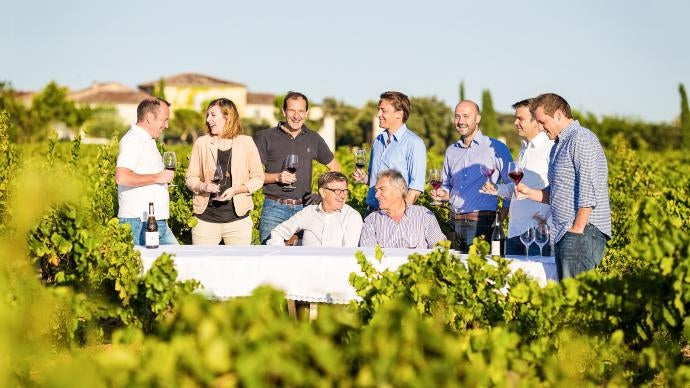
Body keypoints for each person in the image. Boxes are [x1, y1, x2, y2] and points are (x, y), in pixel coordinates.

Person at [516, 93, 611, 279]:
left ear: (558, 114)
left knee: (575, 301)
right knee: (567, 300)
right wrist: (529, 193)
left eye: (543, 122)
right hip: (565, 234)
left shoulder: (581, 139)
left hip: (581, 234)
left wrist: (577, 229)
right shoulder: (559, 145)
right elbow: (557, 193)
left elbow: (588, 187)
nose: (541, 128)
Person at [254, 91, 340, 244]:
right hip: (274, 209)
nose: (296, 116)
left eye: (301, 111)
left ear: (306, 113)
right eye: (292, 110)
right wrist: (277, 177)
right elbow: (253, 175)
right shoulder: (265, 137)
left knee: (303, 259)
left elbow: (335, 168)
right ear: (284, 111)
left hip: (304, 209)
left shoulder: (314, 138)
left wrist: (323, 194)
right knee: (270, 257)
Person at [430, 100, 513, 253]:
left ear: (478, 119)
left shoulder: (496, 148)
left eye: (466, 116)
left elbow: (512, 185)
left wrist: (502, 215)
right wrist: (442, 193)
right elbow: (448, 186)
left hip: (481, 224)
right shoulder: (451, 151)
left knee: (478, 272)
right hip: (453, 223)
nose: (460, 121)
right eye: (457, 116)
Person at [185, 98, 265, 245]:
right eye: (207, 115)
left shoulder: (246, 143)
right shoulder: (201, 143)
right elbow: (190, 178)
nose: (208, 119)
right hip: (205, 221)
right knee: (203, 267)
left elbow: (258, 178)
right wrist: (203, 186)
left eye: (213, 115)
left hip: (238, 222)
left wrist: (236, 190)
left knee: (238, 267)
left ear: (227, 117)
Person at [481, 99, 554, 255]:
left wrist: (546, 218)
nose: (515, 122)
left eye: (520, 118)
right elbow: (517, 188)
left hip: (537, 233)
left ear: (536, 121)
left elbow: (557, 188)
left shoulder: (550, 149)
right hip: (514, 231)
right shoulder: (524, 148)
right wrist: (496, 189)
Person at [115, 97, 177, 245]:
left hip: (155, 221)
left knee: (176, 264)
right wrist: (157, 177)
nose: (166, 125)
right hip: (139, 223)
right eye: (164, 120)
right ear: (149, 118)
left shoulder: (148, 140)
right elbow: (122, 177)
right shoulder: (133, 140)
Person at [353, 91, 426, 212]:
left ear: (399, 113)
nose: (378, 114)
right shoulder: (377, 141)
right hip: (371, 212)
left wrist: (402, 216)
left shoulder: (414, 143)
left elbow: (415, 188)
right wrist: (365, 179)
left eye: (383, 110)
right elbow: (376, 181)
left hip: (395, 214)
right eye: (378, 110)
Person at [267, 172, 363, 246]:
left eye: (345, 191)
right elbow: (278, 233)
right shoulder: (309, 212)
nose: (342, 196)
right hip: (307, 268)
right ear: (323, 192)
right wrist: (283, 257)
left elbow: (349, 254)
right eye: (337, 191)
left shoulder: (352, 216)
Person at [359, 169, 445, 249]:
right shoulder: (371, 220)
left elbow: (440, 248)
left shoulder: (423, 215)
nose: (376, 195)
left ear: (398, 191)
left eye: (382, 189)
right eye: (376, 190)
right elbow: (368, 255)